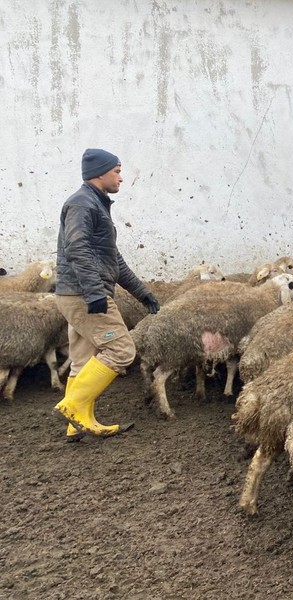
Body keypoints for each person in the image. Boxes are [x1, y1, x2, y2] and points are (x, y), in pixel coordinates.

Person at [53, 148, 160, 440]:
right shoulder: (82, 204)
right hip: (84, 294)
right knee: (121, 350)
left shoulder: (94, 205)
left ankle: (77, 424)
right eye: (117, 171)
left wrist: (144, 294)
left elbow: (114, 261)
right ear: (100, 173)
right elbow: (76, 249)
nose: (121, 178)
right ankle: (73, 407)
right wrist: (94, 292)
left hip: (79, 293)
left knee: (82, 359)